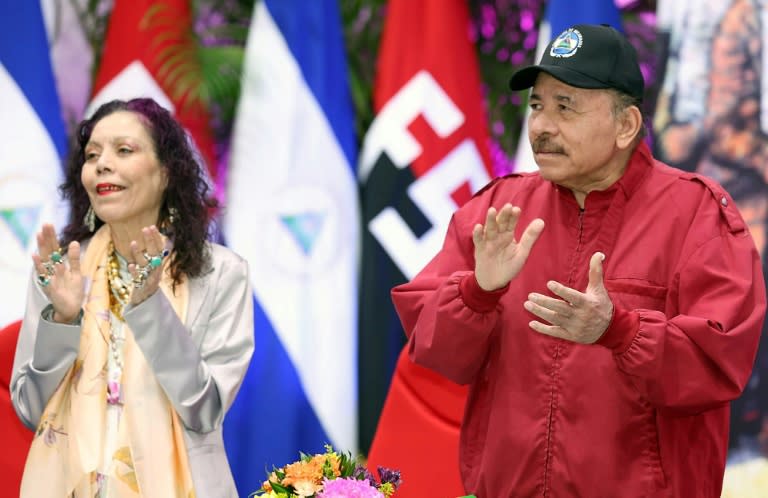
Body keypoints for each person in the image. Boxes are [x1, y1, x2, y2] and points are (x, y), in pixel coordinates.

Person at [391, 24, 766, 497]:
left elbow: (717, 366)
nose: (541, 127)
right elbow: (435, 355)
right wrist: (476, 293)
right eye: (536, 106)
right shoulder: (497, 212)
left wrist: (619, 331)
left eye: (564, 107)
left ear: (626, 125)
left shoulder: (696, 215)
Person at [10, 97, 254, 498]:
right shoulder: (65, 270)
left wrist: (149, 308)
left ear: (166, 173)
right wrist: (64, 321)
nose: (103, 163)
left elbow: (204, 410)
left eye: (124, 150)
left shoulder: (221, 273)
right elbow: (29, 409)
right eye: (93, 155)